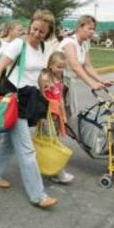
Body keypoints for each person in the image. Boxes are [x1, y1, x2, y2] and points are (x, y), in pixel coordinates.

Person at [0, 9, 58, 208]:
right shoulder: (19, 44)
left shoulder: (42, 46)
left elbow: (37, 74)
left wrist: (44, 95)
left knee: (8, 142)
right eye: (34, 28)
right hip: (14, 99)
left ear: (47, 34)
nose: (36, 34)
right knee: (27, 150)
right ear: (30, 25)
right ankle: (38, 196)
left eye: (42, 32)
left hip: (29, 98)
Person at [58, 15, 114, 117]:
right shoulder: (69, 42)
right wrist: (92, 83)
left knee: (68, 114)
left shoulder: (85, 44)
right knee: (59, 113)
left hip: (69, 83)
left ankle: (64, 132)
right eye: (89, 28)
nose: (92, 31)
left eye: (93, 29)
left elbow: (87, 66)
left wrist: (101, 80)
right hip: (58, 83)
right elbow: (75, 66)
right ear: (80, 27)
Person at [38, 51, 74, 184]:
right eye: (59, 67)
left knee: (51, 142)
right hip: (46, 116)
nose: (61, 70)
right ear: (51, 65)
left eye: (63, 67)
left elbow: (61, 100)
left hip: (56, 116)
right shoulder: (45, 77)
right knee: (52, 144)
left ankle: (50, 169)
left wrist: (63, 116)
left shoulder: (60, 80)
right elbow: (41, 95)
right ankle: (59, 172)